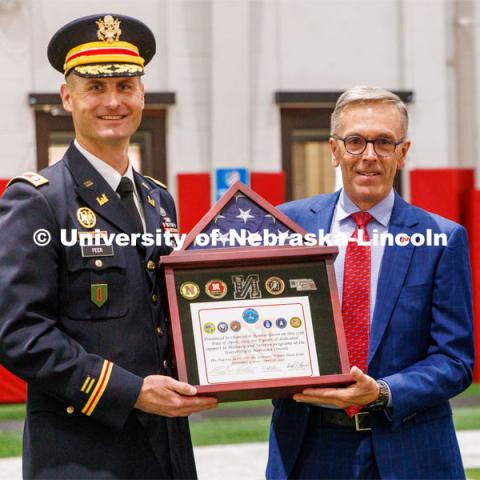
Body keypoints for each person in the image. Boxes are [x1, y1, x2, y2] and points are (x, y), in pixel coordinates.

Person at [0, 13, 217, 479]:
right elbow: (18, 333)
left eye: (125, 85)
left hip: (166, 448)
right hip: (82, 452)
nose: (113, 101)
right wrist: (130, 391)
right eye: (96, 88)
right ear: (67, 97)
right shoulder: (37, 200)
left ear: (142, 95)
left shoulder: (159, 201)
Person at [266, 86, 474, 479]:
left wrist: (381, 392)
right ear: (334, 150)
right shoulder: (287, 225)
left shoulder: (442, 238)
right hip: (309, 448)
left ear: (403, 152)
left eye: (383, 142)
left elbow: (455, 360)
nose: (369, 156)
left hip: (410, 450)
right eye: (355, 141)